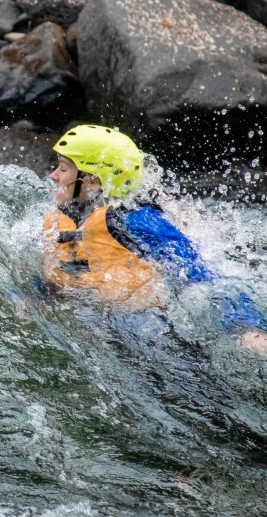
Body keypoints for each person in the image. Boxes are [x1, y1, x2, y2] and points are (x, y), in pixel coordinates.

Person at [44, 124, 267, 354]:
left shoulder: (136, 219)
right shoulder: (62, 222)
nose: (53, 176)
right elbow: (55, 274)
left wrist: (245, 327)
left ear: (92, 180)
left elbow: (202, 277)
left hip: (142, 326)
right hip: (90, 321)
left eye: (63, 169)